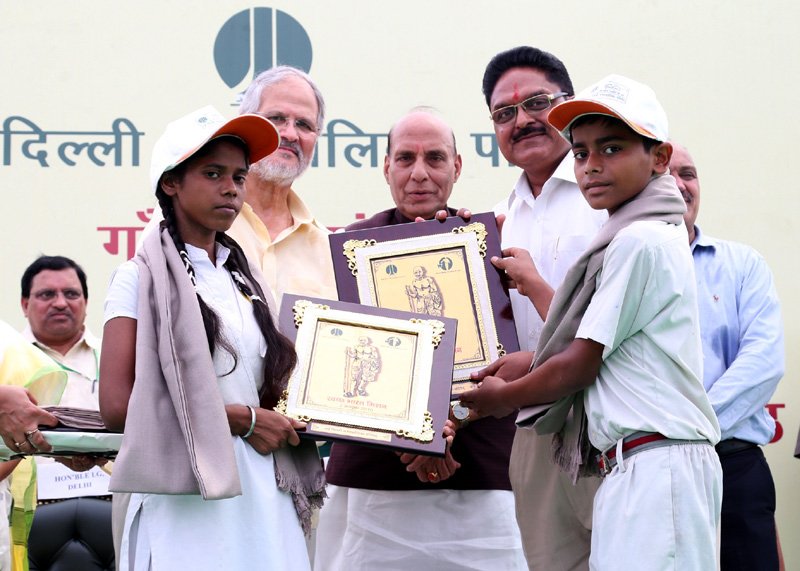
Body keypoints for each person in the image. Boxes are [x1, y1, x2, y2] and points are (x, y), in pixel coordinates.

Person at [461, 74, 723, 569]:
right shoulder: (628, 233)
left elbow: (580, 363)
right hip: (631, 463)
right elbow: (586, 352)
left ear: (660, 158)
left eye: (612, 148)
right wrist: (515, 364)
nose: (592, 166)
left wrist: (503, 399)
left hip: (655, 463)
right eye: (580, 153)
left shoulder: (638, 239)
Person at [99, 105, 325, 570]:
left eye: (239, 177)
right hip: (182, 502)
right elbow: (119, 406)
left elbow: (275, 392)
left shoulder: (248, 280)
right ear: (171, 183)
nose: (231, 188)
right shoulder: (137, 278)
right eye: (213, 173)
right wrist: (241, 420)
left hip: (263, 494)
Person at [315, 109, 526, 570]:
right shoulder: (352, 248)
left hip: (481, 477)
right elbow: (343, 368)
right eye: (405, 158)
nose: (419, 173)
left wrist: (445, 429)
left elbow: (506, 355)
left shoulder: (489, 246)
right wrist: (415, 442)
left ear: (457, 167)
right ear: (386, 166)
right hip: (376, 477)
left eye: (435, 158)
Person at [481, 46, 606, 570]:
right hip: (533, 430)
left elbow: (610, 333)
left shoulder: (606, 196)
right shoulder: (500, 219)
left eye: (536, 103)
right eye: (504, 113)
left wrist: (531, 360)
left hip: (606, 422)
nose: (522, 120)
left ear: (568, 105)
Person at [671, 142, 784, 570]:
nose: (681, 186)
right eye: (669, 175)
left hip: (734, 465)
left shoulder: (742, 264)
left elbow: (763, 363)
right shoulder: (618, 265)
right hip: (654, 471)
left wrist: (688, 428)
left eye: (690, 174)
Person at [228, 65, 337, 308]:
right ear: (245, 125)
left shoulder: (331, 253)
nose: (290, 134)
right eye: (276, 118)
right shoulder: (196, 223)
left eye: (304, 124)